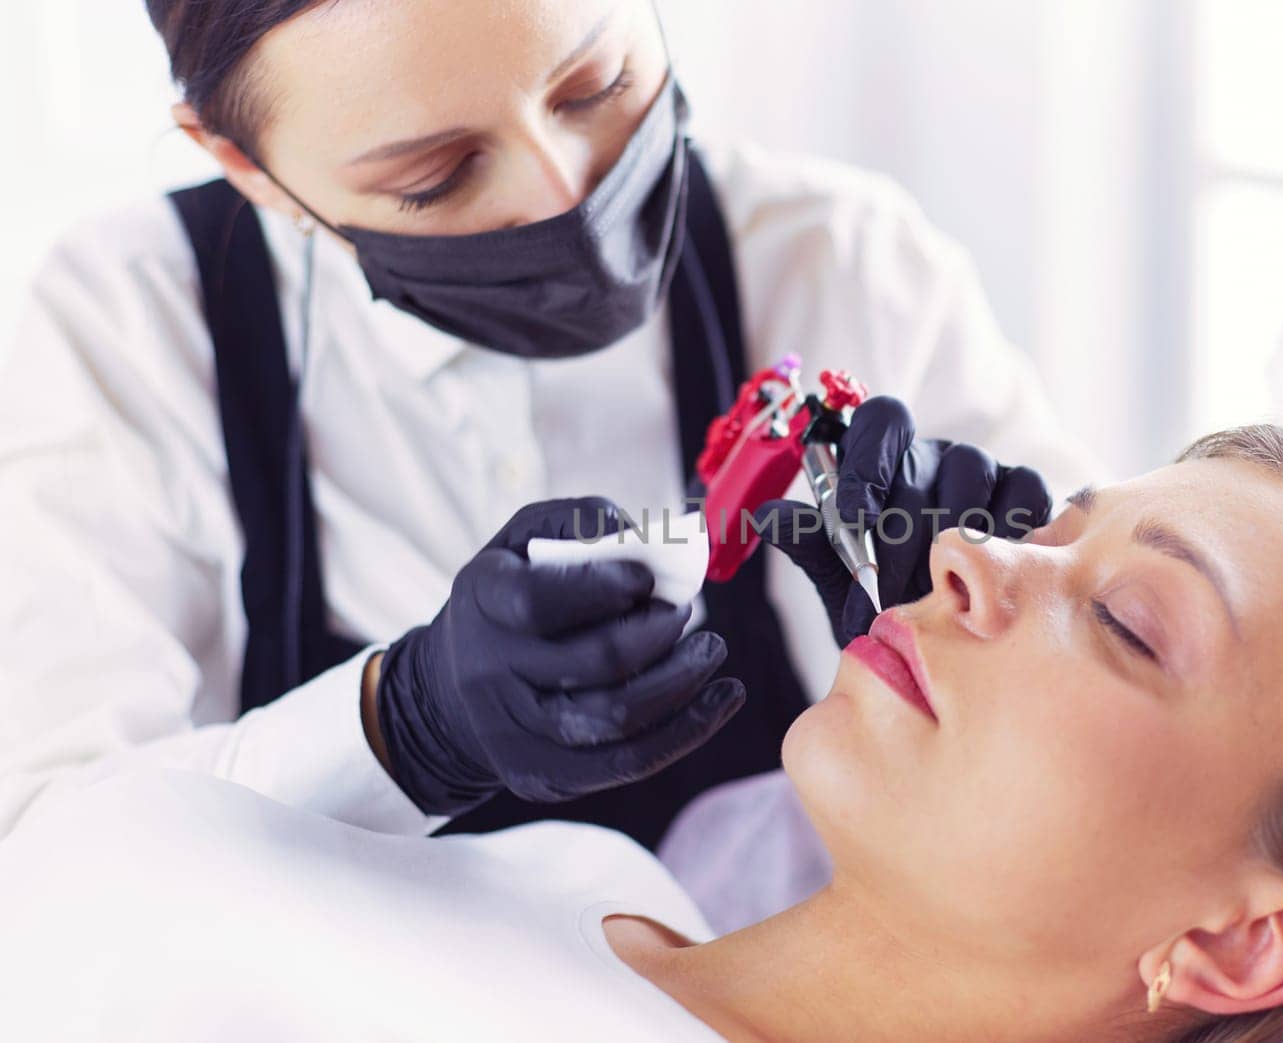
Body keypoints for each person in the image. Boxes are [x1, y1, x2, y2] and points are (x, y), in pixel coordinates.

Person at [0, 425, 1283, 1042]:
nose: (972, 552)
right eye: (1057, 524)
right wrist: (400, 724)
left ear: (1240, 947)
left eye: (1124, 617)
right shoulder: (597, 880)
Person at [0, 0, 1094, 844]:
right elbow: (47, 851)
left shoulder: (838, 260)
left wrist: (1007, 629)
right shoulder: (128, 331)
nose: (567, 191)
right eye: (435, 176)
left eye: (597, 83)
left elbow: (1142, 777)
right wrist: (403, 728)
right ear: (249, 168)